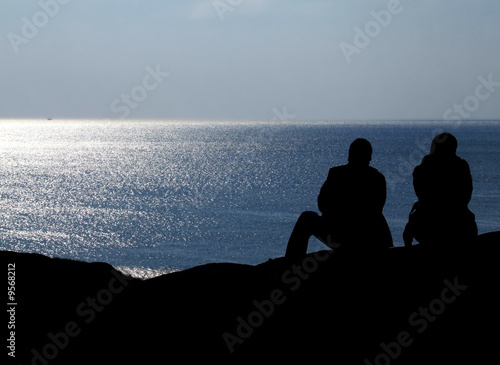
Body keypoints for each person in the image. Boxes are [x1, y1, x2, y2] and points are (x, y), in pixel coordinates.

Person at [285, 138, 393, 258]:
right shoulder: (378, 178)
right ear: (369, 157)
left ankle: (291, 261)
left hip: (344, 239)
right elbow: (377, 209)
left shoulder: (336, 174)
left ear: (349, 155)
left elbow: (322, 205)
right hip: (373, 238)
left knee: (307, 218)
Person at [403, 132, 477, 248]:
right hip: (460, 224)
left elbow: (422, 196)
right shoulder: (461, 167)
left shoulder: (421, 169)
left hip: (427, 225)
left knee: (409, 232)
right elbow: (467, 195)